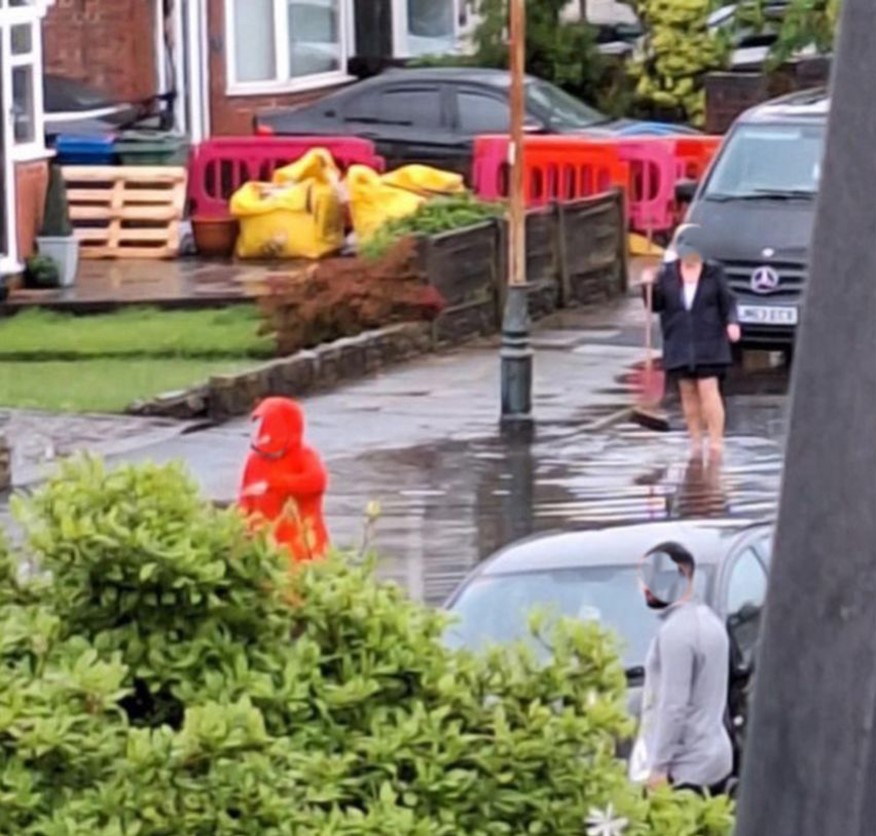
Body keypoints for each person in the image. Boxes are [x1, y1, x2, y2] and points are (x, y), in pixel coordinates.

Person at [631, 542, 733, 796]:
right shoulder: (710, 621)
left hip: (686, 768)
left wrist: (657, 768)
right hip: (714, 756)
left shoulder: (676, 632)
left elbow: (673, 705)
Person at [642, 225, 740, 458]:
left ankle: (716, 442)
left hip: (709, 338)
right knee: (687, 391)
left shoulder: (714, 273)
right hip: (679, 339)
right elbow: (656, 305)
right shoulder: (666, 274)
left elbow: (728, 302)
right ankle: (696, 442)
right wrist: (647, 286)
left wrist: (732, 323)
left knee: (708, 388)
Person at [238, 397, 329, 563]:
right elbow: (245, 497)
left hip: (303, 543)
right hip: (265, 543)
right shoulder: (255, 460)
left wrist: (277, 484)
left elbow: (317, 481)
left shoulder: (304, 456)